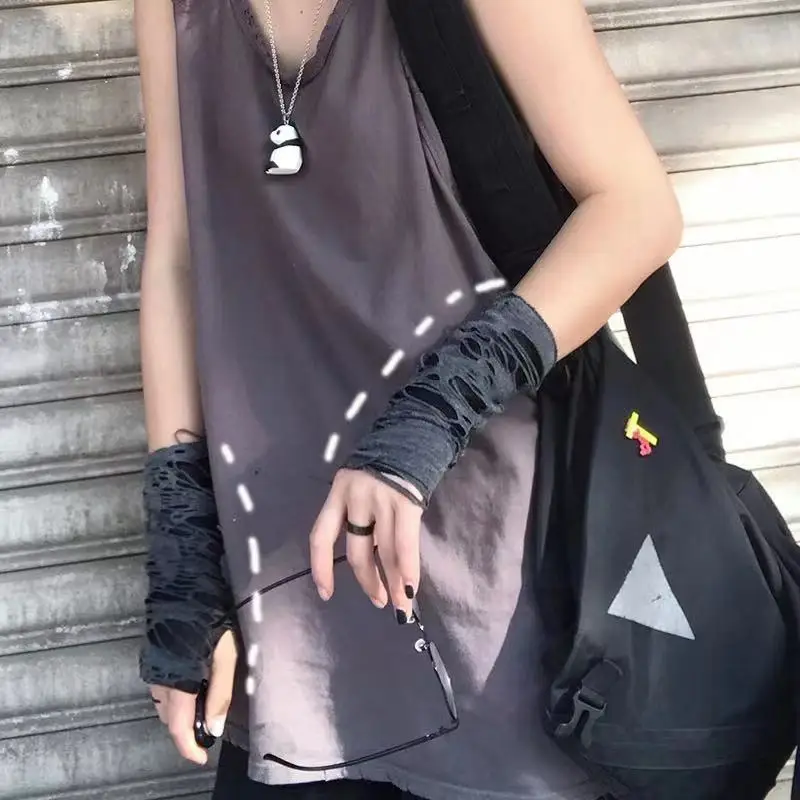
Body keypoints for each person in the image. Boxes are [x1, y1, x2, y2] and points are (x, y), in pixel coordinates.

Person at [134, 1, 683, 799]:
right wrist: (183, 558)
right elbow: (177, 257)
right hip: (295, 618)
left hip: (496, 589)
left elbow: (635, 209)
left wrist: (427, 420)